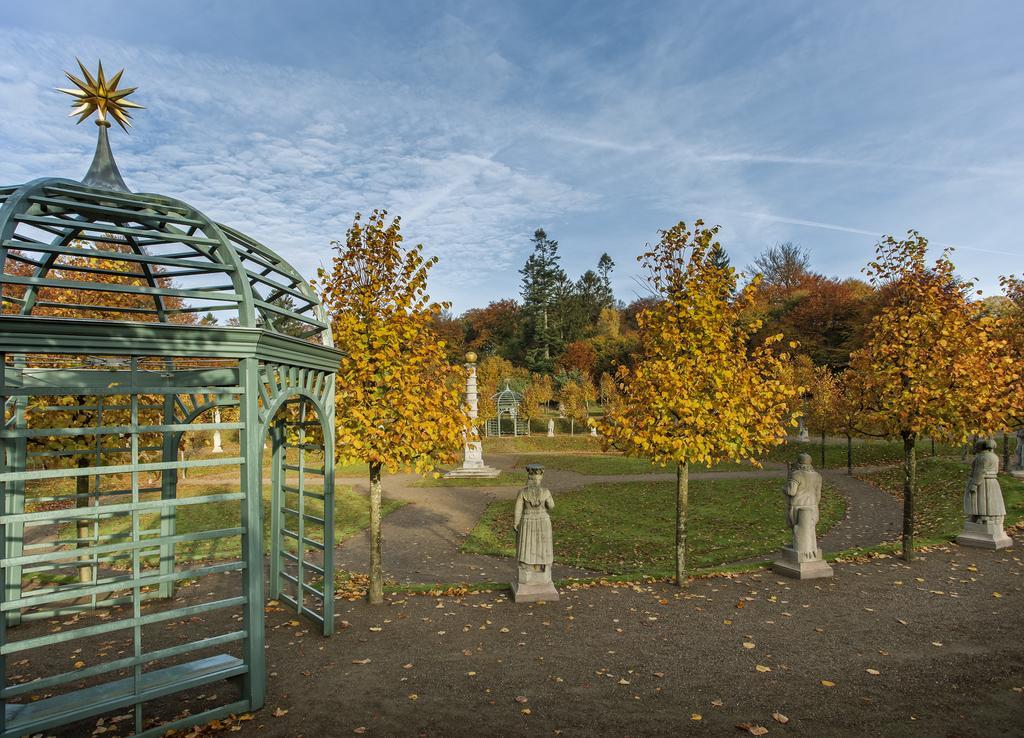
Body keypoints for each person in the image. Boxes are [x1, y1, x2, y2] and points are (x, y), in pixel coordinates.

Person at [514, 464, 554, 576]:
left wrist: (516, 522)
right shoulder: (546, 491)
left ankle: (527, 568)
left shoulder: (522, 492)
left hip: (528, 519)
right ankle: (543, 568)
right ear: (540, 478)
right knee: (542, 544)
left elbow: (518, 509)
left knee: (528, 544)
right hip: (543, 519)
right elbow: (551, 506)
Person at [784, 453, 822, 557]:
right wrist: (814, 504)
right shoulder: (817, 476)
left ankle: (801, 548)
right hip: (813, 506)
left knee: (797, 528)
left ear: (799, 462)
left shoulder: (796, 474)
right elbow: (818, 494)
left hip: (797, 506)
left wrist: (784, 487)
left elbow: (791, 491)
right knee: (810, 529)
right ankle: (809, 549)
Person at [964, 438, 1006, 528]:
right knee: (989, 500)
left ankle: (983, 517)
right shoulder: (994, 456)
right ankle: (984, 517)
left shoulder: (982, 457)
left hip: (983, 482)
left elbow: (980, 471)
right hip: (992, 481)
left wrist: (974, 484)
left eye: (976, 446)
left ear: (980, 447)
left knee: (982, 499)